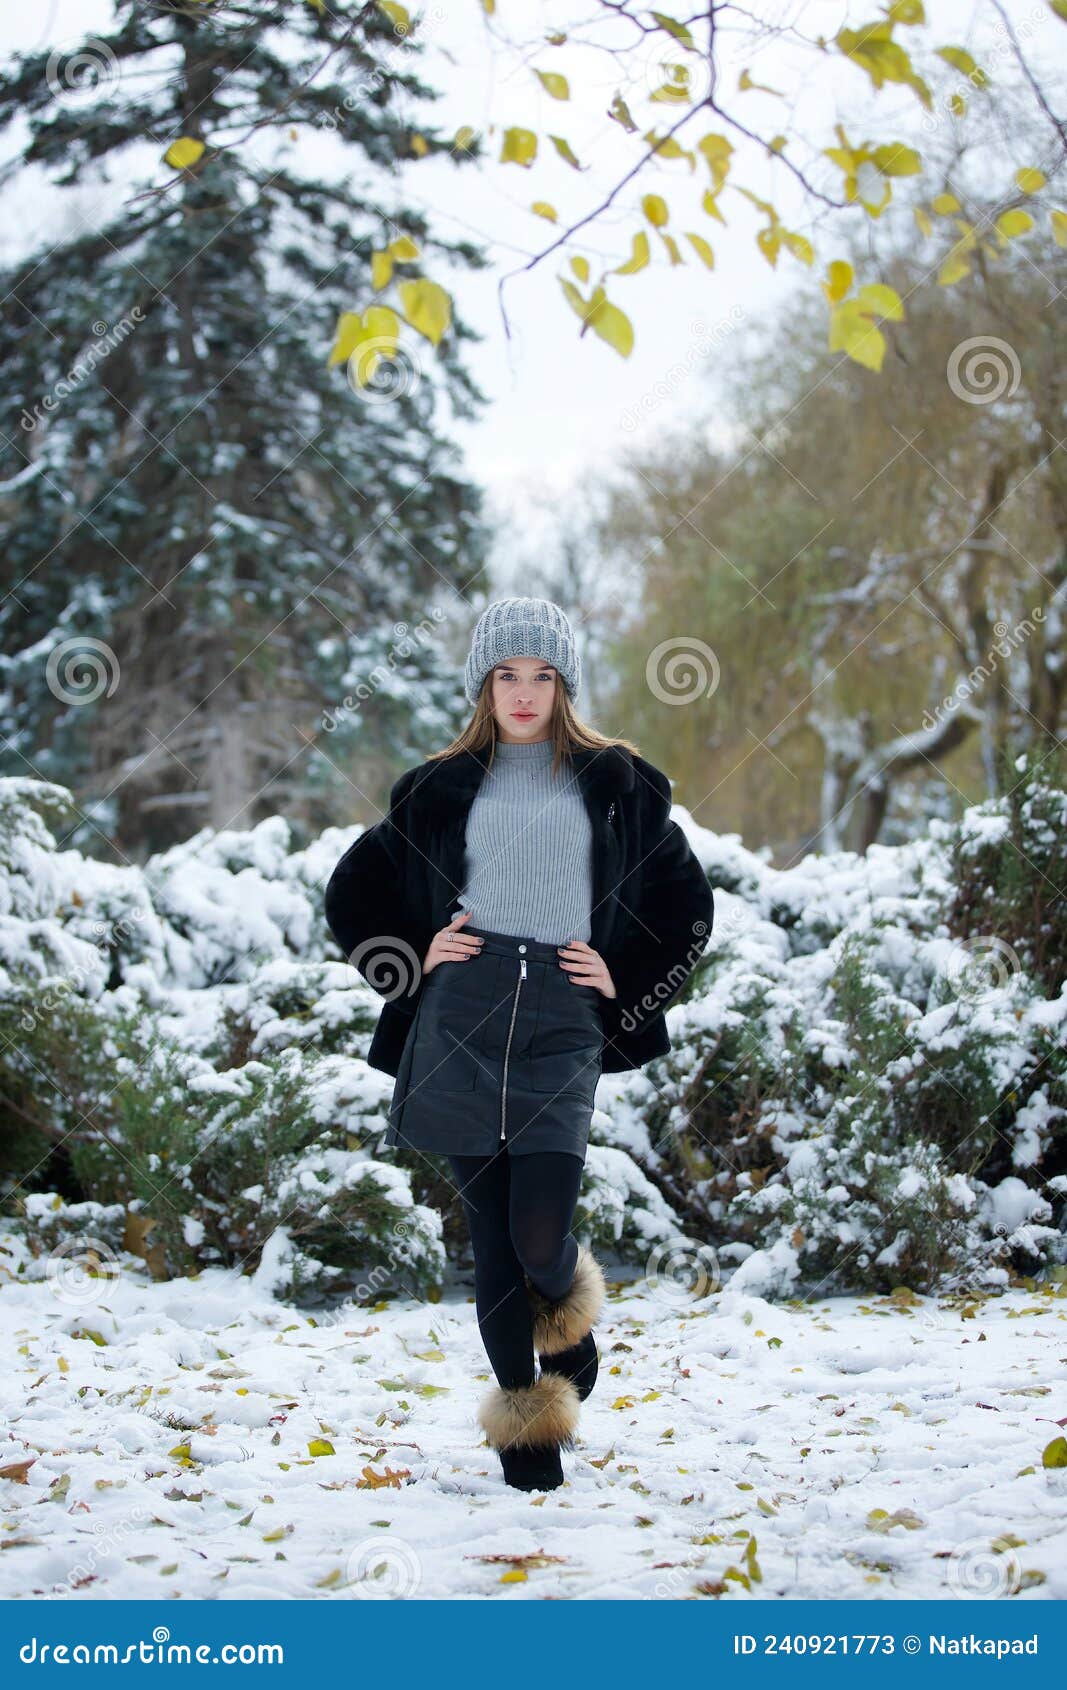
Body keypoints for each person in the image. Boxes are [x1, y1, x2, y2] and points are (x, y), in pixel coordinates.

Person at [324, 598, 714, 1492]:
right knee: (491, 1243)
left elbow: (686, 908)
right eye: (508, 675)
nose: (525, 693)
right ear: (483, 685)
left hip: (560, 1023)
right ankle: (526, 1437)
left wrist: (627, 978)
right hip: (461, 1014)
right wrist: (412, 961)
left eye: (542, 675)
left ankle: (570, 1333)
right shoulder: (439, 786)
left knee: (540, 1232)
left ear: (564, 684)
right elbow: (352, 894)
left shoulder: (619, 784)